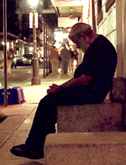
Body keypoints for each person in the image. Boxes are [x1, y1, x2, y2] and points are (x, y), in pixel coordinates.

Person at [10, 22, 117, 159]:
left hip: (93, 92)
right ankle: (39, 144)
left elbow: (85, 79)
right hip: (90, 89)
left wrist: (60, 88)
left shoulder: (100, 48)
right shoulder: (98, 45)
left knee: (47, 102)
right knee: (49, 102)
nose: (77, 46)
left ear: (83, 36)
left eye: (76, 42)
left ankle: (35, 147)